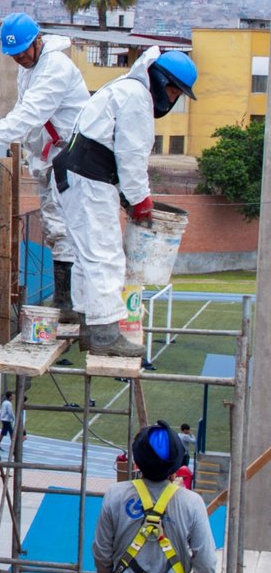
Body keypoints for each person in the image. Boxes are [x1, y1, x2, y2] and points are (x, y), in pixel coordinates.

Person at [53, 47, 197, 357]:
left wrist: (126, 197)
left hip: (79, 177)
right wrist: (140, 201)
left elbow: (113, 151)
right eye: (173, 91)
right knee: (106, 257)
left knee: (87, 256)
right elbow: (132, 158)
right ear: (160, 80)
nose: (172, 99)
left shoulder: (124, 88)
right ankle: (105, 335)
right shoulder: (136, 98)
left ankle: (90, 327)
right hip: (88, 180)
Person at [0, 14, 89, 324]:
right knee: (55, 226)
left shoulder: (54, 68)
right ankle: (65, 300)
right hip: (52, 158)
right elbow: (25, 112)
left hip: (71, 159)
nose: (18, 58)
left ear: (37, 42)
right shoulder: (31, 69)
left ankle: (70, 301)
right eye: (14, 54)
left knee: (69, 228)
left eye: (22, 51)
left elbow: (32, 112)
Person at [94, 422, 216, 573]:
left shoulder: (115, 496)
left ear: (137, 461)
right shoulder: (191, 503)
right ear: (177, 464)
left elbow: (101, 554)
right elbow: (207, 566)